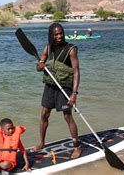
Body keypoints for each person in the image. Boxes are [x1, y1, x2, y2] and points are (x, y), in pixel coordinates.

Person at [33, 23, 82, 159]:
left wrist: (74, 94)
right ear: (51, 35)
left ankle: (77, 146)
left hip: (64, 87)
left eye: (61, 33)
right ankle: (42, 142)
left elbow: (76, 72)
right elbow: (39, 67)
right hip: (50, 86)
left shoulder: (71, 49)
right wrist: (40, 66)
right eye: (56, 34)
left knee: (67, 116)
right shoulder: (47, 49)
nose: (59, 36)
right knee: (44, 115)